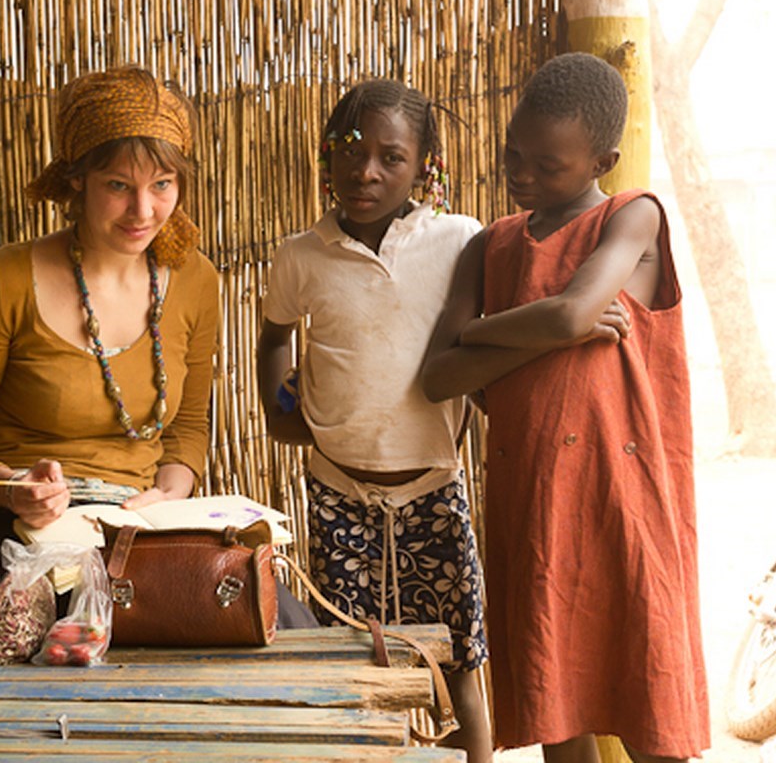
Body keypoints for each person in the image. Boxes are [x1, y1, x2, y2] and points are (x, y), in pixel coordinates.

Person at [422, 53, 710, 762]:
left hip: (623, 495)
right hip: (538, 500)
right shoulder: (490, 246)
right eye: (513, 153)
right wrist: (537, 331)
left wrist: (486, 333)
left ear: (602, 161)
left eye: (546, 165)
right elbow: (439, 375)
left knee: (650, 693)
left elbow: (574, 311)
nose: (520, 174)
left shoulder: (632, 216)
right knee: (559, 696)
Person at [256, 79, 492, 761]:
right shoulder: (302, 255)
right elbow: (274, 340)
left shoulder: (459, 241)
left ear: (425, 166)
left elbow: (487, 338)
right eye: (350, 151)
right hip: (338, 495)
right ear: (326, 155)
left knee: (459, 666)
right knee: (353, 667)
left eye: (391, 157)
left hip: (433, 491)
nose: (366, 171)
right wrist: (282, 415)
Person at [0, 66, 224, 582]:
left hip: (132, 527)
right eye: (119, 185)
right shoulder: (7, 279)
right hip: (10, 527)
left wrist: (171, 493)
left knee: (266, 610)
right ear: (77, 179)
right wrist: (12, 487)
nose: (142, 210)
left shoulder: (194, 279)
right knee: (68, 615)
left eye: (162, 185)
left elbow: (187, 427)